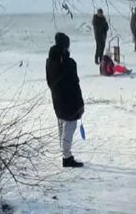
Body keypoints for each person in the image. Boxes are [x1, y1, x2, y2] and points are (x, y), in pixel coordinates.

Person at [46, 32, 85, 168]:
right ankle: (66, 156)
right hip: (68, 102)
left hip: (58, 100)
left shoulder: (50, 62)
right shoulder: (67, 63)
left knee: (63, 126)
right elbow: (74, 84)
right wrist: (79, 104)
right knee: (69, 127)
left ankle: (65, 153)